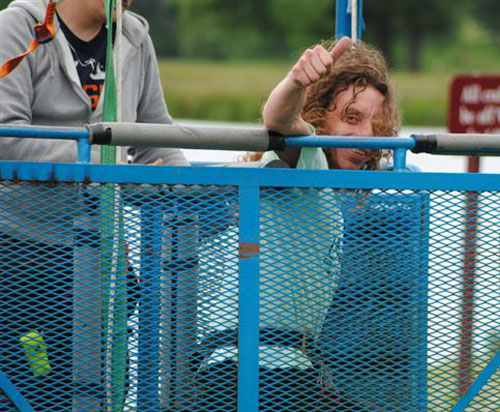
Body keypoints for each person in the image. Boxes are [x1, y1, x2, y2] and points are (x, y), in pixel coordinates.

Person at [193, 37, 400, 411]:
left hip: (283, 368)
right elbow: (281, 120)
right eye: (351, 118)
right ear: (319, 113)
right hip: (252, 370)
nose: (365, 136)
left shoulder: (328, 195)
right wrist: (295, 83)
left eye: (376, 124)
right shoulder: (309, 160)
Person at [0, 0, 188, 410]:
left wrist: (199, 194)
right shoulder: (18, 26)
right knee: (32, 385)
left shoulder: (135, 36)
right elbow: (5, 137)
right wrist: (102, 162)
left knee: (101, 390)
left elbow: (156, 138)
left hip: (101, 258)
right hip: (20, 251)